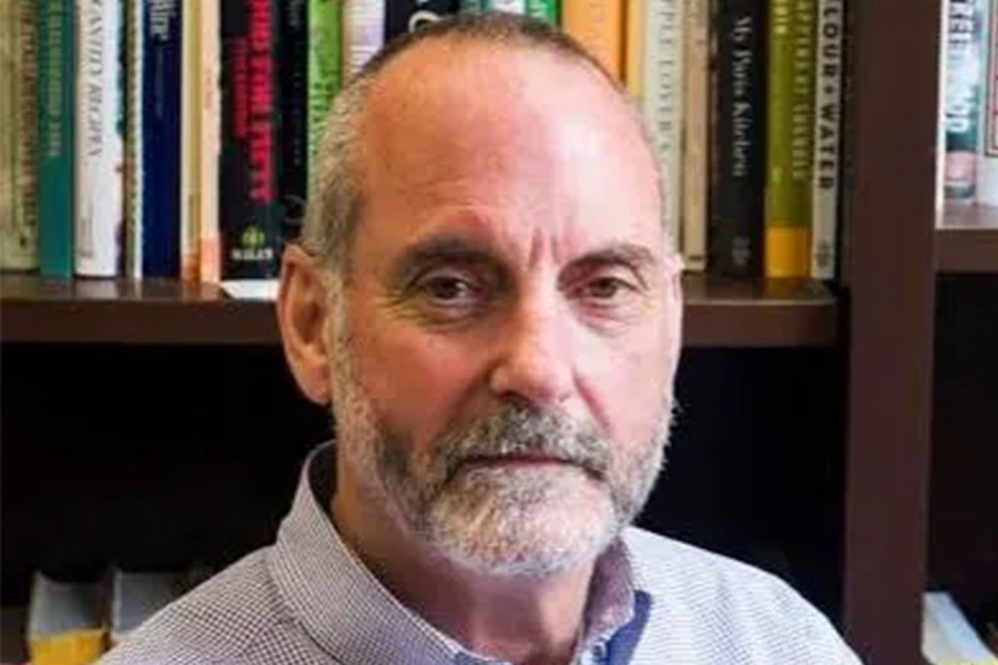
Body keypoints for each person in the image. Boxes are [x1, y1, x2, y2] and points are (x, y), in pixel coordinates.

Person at [100, 13, 862, 665]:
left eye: (604, 287)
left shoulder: (774, 639)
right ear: (313, 324)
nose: (538, 368)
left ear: (671, 321)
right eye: (451, 287)